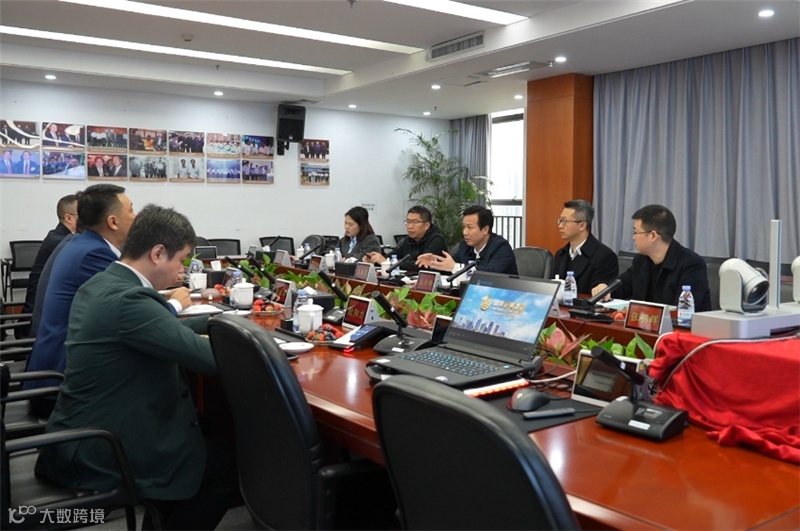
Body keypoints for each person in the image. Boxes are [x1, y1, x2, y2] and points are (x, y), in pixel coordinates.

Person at [35, 205, 238, 530]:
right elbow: (210, 360)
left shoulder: (105, 282)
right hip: (102, 447)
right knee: (228, 465)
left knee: (205, 435)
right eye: (181, 260)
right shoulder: (130, 301)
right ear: (158, 253)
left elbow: (160, 330)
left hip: (83, 431)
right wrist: (267, 345)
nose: (181, 270)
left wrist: (223, 320)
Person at [23, 184, 137, 416]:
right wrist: (173, 304)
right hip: (59, 384)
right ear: (113, 222)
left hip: (52, 369)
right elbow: (131, 311)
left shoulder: (82, 243)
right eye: (131, 210)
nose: (136, 217)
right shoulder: (93, 254)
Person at [592, 204, 712, 311]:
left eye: (636, 232)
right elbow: (622, 287)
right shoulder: (641, 260)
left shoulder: (691, 264)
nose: (633, 237)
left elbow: (682, 311)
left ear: (653, 236)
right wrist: (605, 288)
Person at [21, 194, 80, 332]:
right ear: (69, 218)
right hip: (38, 324)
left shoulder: (62, 236)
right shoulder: (59, 241)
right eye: (83, 214)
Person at [417, 205, 518, 276]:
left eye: (470, 227)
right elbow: (450, 265)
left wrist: (455, 267)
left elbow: (489, 274)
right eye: (464, 227)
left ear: (485, 229)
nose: (465, 232)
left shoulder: (501, 248)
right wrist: (435, 262)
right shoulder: (465, 246)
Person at [552, 199, 619, 294]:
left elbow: (599, 293)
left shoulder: (604, 256)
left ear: (582, 226)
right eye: (560, 220)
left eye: (565, 221)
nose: (560, 226)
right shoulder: (561, 254)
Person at [366, 205, 448, 272]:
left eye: (415, 222)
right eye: (408, 222)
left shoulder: (437, 240)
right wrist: (375, 260)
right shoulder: (407, 240)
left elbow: (421, 265)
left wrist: (387, 263)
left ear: (426, 225)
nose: (410, 226)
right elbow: (393, 256)